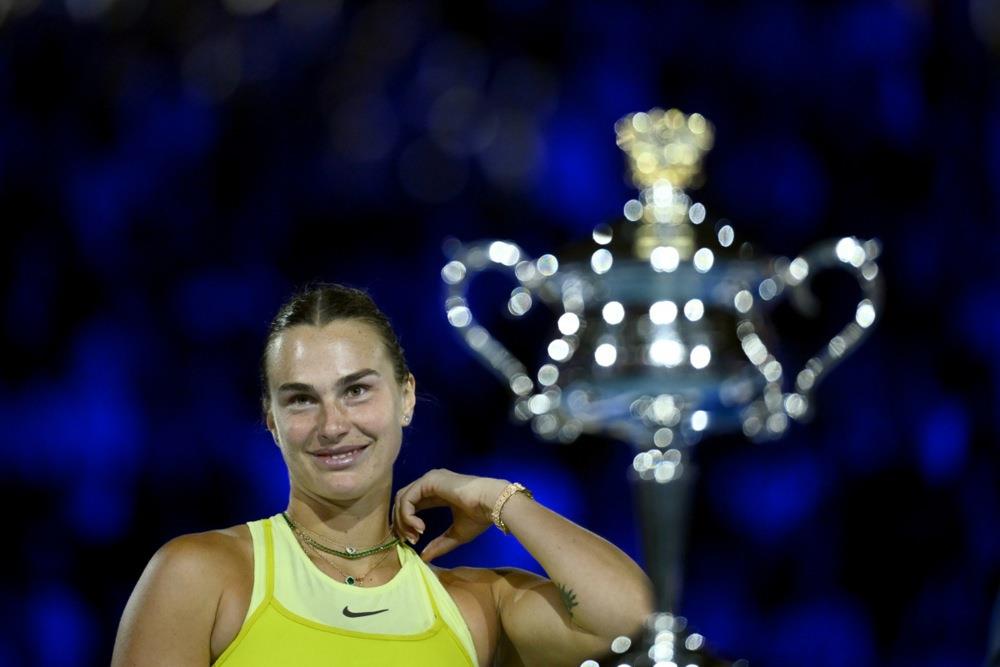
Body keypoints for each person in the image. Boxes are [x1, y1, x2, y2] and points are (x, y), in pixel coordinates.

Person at [111, 282, 654, 666]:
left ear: (406, 398)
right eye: (301, 399)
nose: (332, 425)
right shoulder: (201, 575)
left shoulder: (472, 606)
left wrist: (497, 498)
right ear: (271, 422)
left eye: (356, 390)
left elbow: (631, 622)